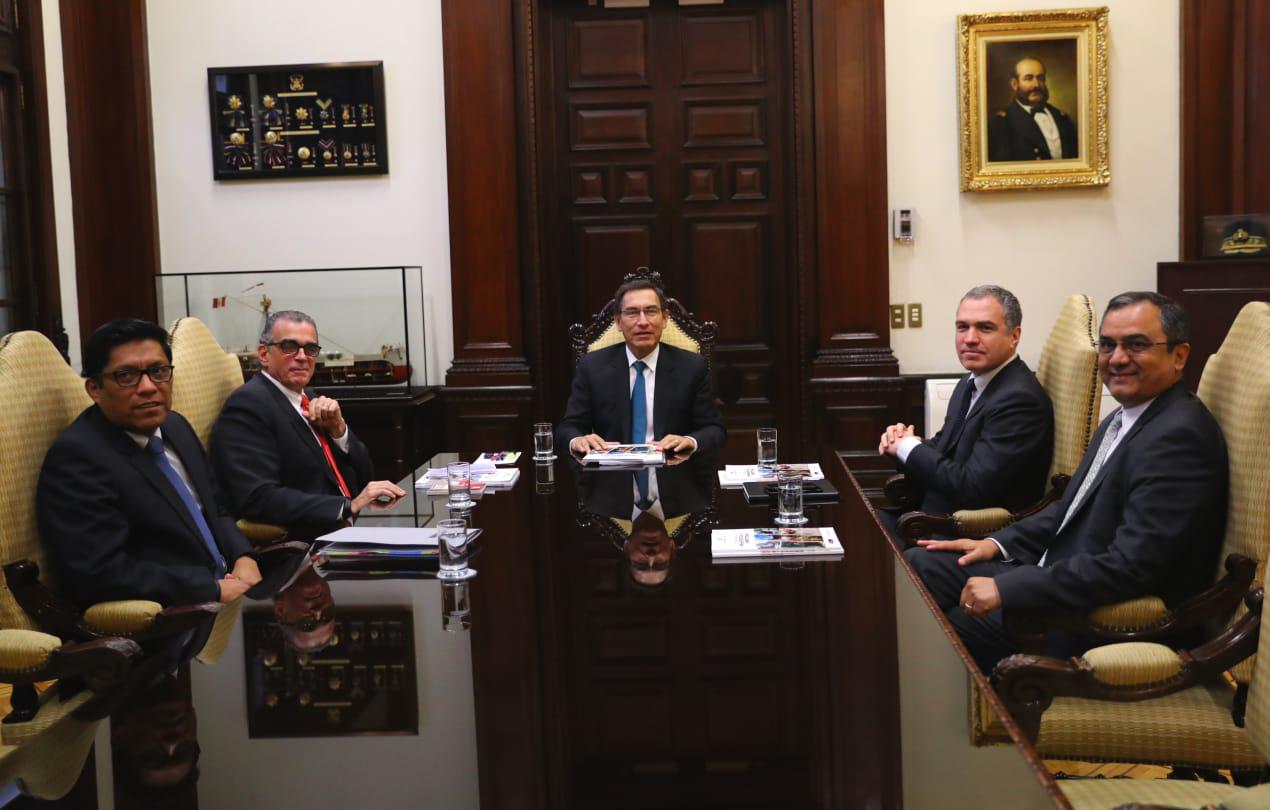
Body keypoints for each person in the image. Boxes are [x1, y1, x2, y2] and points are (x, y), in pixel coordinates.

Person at [906, 292, 1228, 673]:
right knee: (920, 566)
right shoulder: (1127, 416)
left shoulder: (1179, 438)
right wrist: (995, 544)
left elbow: (1131, 568)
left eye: (1137, 345)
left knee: (942, 630)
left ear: (1179, 355)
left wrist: (1010, 588)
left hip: (1098, 616)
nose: (1118, 358)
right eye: (1108, 345)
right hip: (1060, 571)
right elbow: (1071, 507)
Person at [37, 319, 259, 608]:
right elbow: (97, 572)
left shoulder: (175, 425)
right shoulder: (78, 458)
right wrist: (210, 589)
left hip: (230, 593)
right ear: (94, 389)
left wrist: (244, 556)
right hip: (170, 619)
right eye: (126, 376)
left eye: (158, 371)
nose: (148, 388)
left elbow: (215, 506)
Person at [211, 310, 405, 537]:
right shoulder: (248, 404)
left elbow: (366, 476)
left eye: (310, 349)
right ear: (264, 354)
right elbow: (257, 497)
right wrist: (344, 508)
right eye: (289, 347)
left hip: (357, 523)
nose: (302, 356)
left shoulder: (310, 399)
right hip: (310, 540)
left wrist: (339, 431)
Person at [878, 285, 1053, 527]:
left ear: (1014, 336)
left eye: (985, 328)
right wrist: (900, 443)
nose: (970, 339)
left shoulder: (1019, 400)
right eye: (962, 327)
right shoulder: (970, 382)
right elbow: (944, 446)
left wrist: (908, 448)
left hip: (971, 532)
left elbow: (971, 488)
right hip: (931, 514)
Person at [558, 278, 725, 458]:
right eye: (632, 313)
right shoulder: (592, 367)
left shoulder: (692, 367)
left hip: (672, 472)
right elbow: (568, 427)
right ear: (618, 322)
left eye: (651, 311)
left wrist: (689, 441)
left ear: (665, 318)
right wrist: (577, 440)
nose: (643, 322)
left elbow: (714, 430)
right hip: (613, 478)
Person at [987, 57, 1078, 162]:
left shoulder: (1062, 117)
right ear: (1014, 84)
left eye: (1040, 78)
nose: (1036, 85)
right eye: (1028, 78)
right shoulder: (1001, 123)